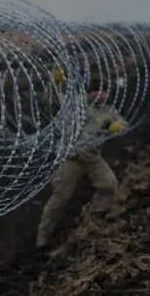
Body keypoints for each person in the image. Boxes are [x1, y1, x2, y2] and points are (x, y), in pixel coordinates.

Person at [36, 86, 125, 248]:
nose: (100, 95)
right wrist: (53, 83)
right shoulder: (74, 104)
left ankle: (93, 218)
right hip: (71, 159)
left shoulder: (107, 111)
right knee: (61, 197)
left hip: (93, 159)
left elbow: (122, 123)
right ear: (89, 92)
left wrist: (117, 126)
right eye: (96, 91)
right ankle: (43, 236)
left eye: (103, 92)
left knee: (109, 185)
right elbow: (50, 101)